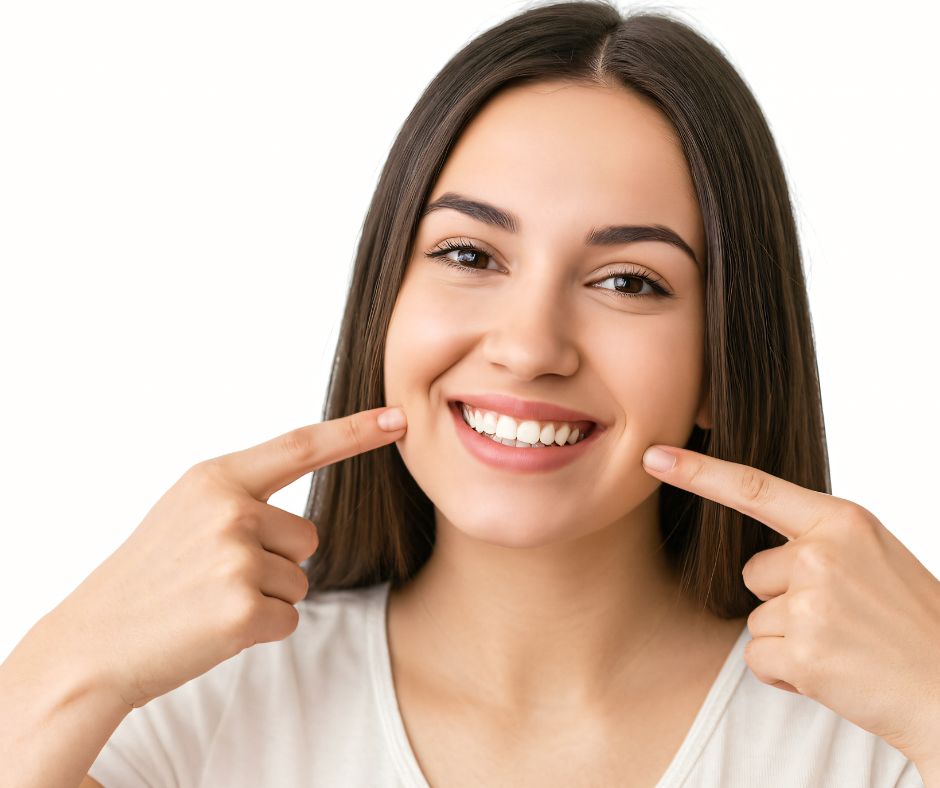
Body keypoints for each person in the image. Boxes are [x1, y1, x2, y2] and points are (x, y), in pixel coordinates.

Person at [2, 3, 938, 786]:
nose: (529, 348)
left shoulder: (877, 738)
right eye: (468, 255)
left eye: (628, 281)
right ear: (386, 302)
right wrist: (65, 663)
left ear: (723, 359)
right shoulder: (186, 718)